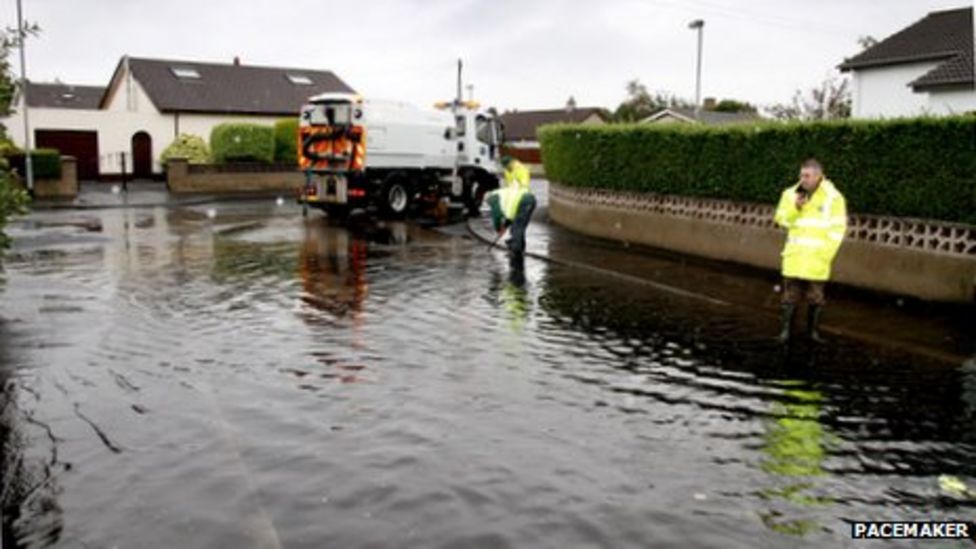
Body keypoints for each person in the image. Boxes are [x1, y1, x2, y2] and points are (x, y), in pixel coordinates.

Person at [773, 158, 847, 344]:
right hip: (795, 257)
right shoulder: (791, 194)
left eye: (807, 175)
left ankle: (812, 333)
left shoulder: (833, 198)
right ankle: (785, 332)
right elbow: (781, 219)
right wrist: (795, 208)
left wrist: (825, 255)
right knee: (790, 296)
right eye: (801, 175)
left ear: (818, 176)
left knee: (815, 297)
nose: (803, 179)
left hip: (817, 259)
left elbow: (837, 230)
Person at [486, 182, 536, 256]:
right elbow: (510, 215)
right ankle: (519, 248)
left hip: (523, 201)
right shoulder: (501, 194)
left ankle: (516, 251)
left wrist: (498, 229)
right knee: (520, 226)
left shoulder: (494, 199)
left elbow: (497, 216)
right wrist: (505, 226)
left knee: (517, 226)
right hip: (530, 199)